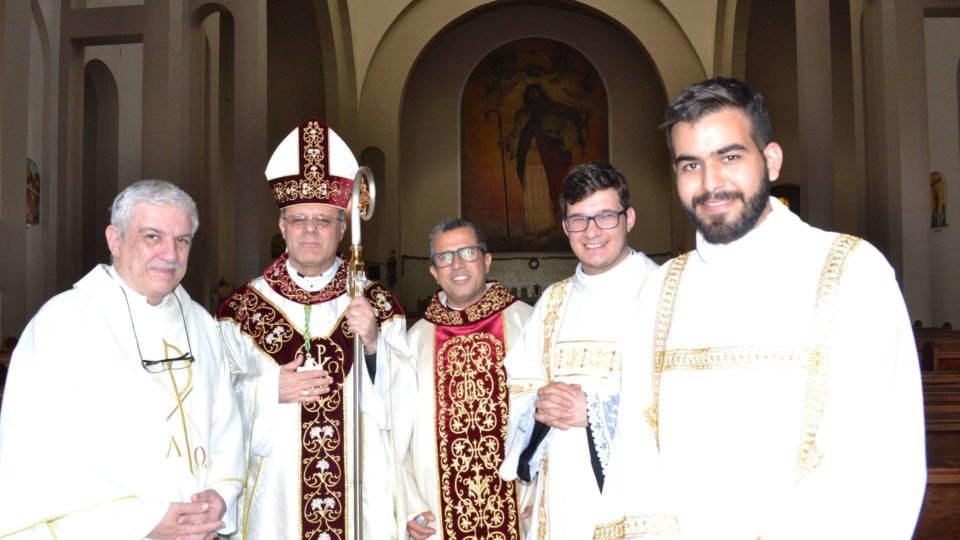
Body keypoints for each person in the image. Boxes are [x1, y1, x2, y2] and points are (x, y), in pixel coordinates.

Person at [594, 77, 927, 539]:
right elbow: (637, 454)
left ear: (770, 160)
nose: (710, 184)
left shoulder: (851, 272)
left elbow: (882, 454)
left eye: (729, 157)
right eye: (690, 164)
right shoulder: (660, 291)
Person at [0, 179, 244, 539]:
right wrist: (143, 522)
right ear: (115, 240)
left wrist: (220, 495)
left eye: (182, 240)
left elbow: (226, 426)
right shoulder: (65, 322)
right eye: (152, 237)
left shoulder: (202, 325)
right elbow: (39, 454)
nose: (171, 254)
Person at [216, 119, 415, 539]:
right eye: (299, 219)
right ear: (282, 226)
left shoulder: (377, 305)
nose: (310, 230)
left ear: (343, 231)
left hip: (360, 499)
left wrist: (376, 345)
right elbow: (213, 404)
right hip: (277, 503)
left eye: (324, 221)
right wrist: (269, 390)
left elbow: (405, 404)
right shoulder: (241, 312)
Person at [499, 161, 660, 539]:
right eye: (578, 219)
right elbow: (519, 391)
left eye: (605, 216)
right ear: (564, 226)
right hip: (561, 500)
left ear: (629, 218)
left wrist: (595, 411)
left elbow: (685, 404)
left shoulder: (661, 293)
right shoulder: (553, 302)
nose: (591, 232)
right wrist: (540, 405)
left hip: (638, 499)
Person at [404, 219, 534, 539]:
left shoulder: (529, 322)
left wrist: (544, 489)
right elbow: (396, 430)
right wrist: (409, 504)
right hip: (438, 512)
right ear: (434, 272)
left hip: (520, 506)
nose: (457, 265)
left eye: (467, 253)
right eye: (445, 258)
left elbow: (551, 416)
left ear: (487, 260)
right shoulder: (415, 340)